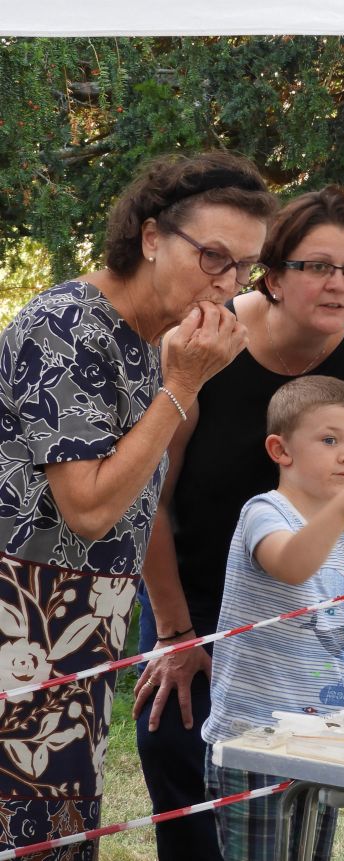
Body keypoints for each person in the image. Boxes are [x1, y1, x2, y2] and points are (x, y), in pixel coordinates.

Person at [132, 184, 344, 859]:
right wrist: (173, 632)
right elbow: (147, 498)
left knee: (298, 821)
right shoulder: (207, 336)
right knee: (196, 816)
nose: (339, 284)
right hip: (197, 612)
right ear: (273, 276)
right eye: (317, 266)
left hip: (309, 631)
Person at [0, 151, 277, 858]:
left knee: (61, 836)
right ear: (152, 237)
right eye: (213, 256)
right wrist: (181, 389)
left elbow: (133, 504)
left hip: (80, 626)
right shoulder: (65, 326)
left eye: (243, 267)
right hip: (19, 621)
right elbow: (89, 508)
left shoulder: (154, 341)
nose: (228, 282)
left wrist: (169, 625)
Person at [201, 376, 344, 861]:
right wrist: (342, 510)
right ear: (280, 450)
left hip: (317, 740)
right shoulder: (265, 513)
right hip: (255, 741)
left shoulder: (340, 543)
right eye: (330, 440)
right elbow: (289, 565)